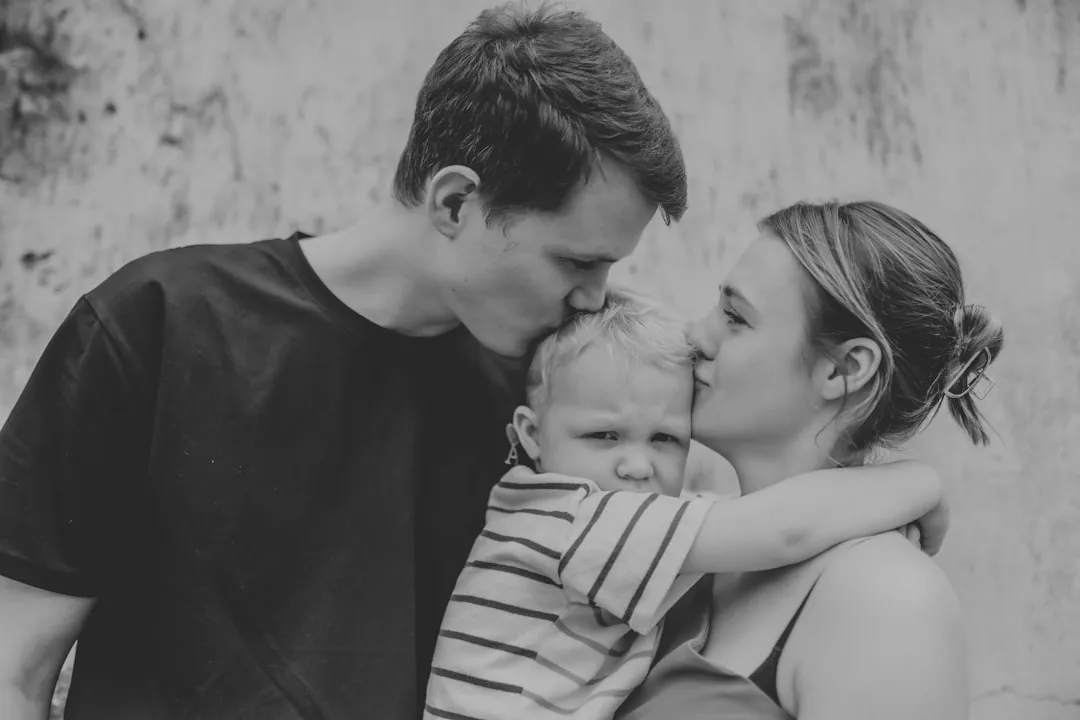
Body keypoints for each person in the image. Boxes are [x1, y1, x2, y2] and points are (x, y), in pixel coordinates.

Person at [0, 5, 689, 719]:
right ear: (455, 202)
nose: (594, 300)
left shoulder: (561, 401)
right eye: (578, 261)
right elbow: (13, 666)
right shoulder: (158, 324)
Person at [424, 289, 948, 720]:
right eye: (604, 435)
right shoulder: (568, 518)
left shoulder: (625, 523)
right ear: (532, 435)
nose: (636, 465)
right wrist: (918, 481)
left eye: (665, 440)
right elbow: (780, 530)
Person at [615, 200, 1004, 720]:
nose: (695, 336)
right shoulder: (694, 545)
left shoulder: (886, 601)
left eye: (735, 317)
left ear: (844, 369)